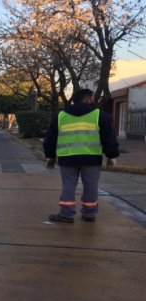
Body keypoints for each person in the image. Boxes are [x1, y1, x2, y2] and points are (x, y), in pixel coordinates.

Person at [43, 88, 119, 223]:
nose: (93, 101)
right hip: (91, 158)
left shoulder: (61, 116)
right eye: (91, 98)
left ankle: (66, 214)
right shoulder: (98, 115)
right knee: (91, 185)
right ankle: (89, 213)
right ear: (86, 99)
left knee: (68, 185)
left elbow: (50, 138)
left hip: (67, 158)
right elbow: (108, 136)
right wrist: (111, 155)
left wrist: (50, 156)